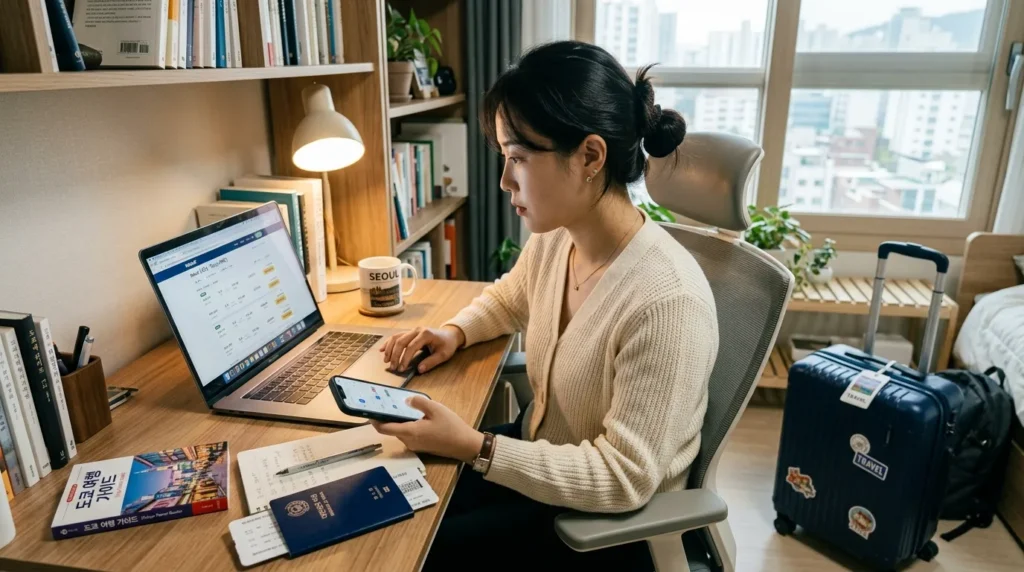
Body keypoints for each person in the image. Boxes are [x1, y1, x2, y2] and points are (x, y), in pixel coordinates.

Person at [374, 40, 719, 569]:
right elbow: (514, 298)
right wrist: (454, 332)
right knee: (396, 501)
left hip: (607, 529)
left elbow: (623, 478)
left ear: (589, 156)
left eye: (518, 158)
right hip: (542, 465)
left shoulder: (667, 301)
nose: (504, 181)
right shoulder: (562, 236)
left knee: (410, 551)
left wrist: (478, 447)